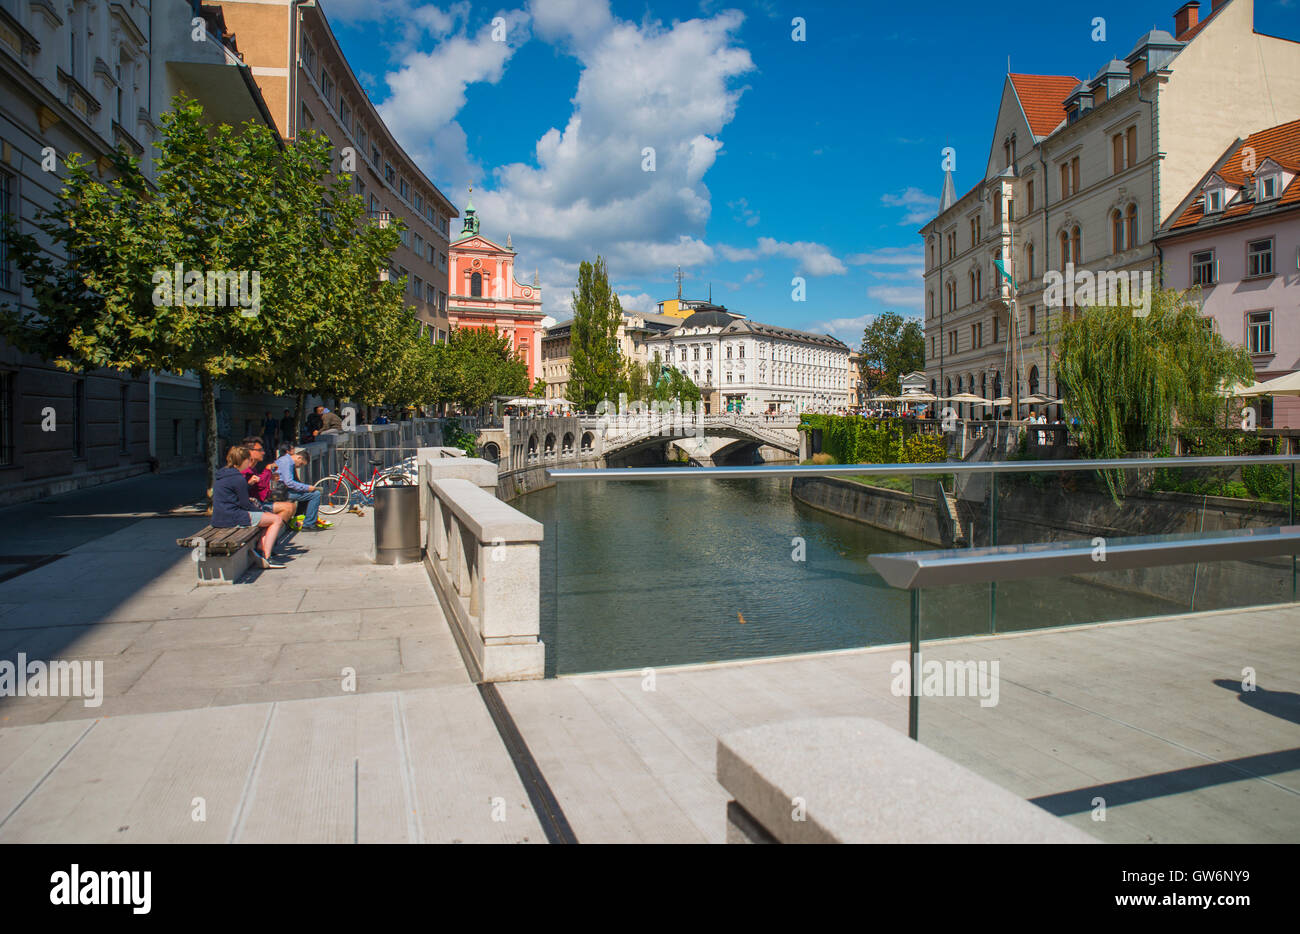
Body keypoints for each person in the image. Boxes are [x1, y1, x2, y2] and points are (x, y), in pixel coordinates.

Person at [212, 445, 285, 569]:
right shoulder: (238, 478)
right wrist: (261, 512)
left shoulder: (223, 474)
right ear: (243, 460)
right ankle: (267, 557)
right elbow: (245, 504)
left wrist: (249, 485)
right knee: (276, 520)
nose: (250, 463)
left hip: (219, 516)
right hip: (232, 517)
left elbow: (233, 494)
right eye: (249, 460)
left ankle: (261, 549)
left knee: (266, 519)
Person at [241, 436, 296, 528]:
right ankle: (268, 536)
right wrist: (268, 470)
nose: (263, 452)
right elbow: (259, 484)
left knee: (291, 507)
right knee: (288, 508)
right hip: (249, 508)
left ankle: (270, 534)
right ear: (249, 452)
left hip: (257, 503)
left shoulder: (253, 468)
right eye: (260, 450)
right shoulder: (244, 470)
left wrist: (271, 477)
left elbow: (260, 485)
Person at [275, 445, 333, 531]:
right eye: (301, 464)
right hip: (283, 491)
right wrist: (306, 487)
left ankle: (300, 518)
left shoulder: (287, 460)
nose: (299, 466)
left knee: (307, 493)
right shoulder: (288, 462)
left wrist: (304, 488)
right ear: (299, 457)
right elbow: (289, 482)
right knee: (315, 495)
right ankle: (308, 524)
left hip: (284, 489)